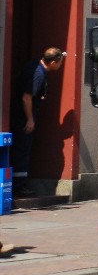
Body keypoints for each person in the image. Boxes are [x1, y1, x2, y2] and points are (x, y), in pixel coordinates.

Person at [10, 47, 66, 197]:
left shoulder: (35, 64)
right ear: (53, 62)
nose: (61, 65)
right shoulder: (39, 74)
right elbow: (26, 97)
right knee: (22, 150)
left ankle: (18, 185)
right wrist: (30, 120)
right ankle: (18, 187)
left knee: (20, 149)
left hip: (19, 114)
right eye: (60, 62)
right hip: (22, 117)